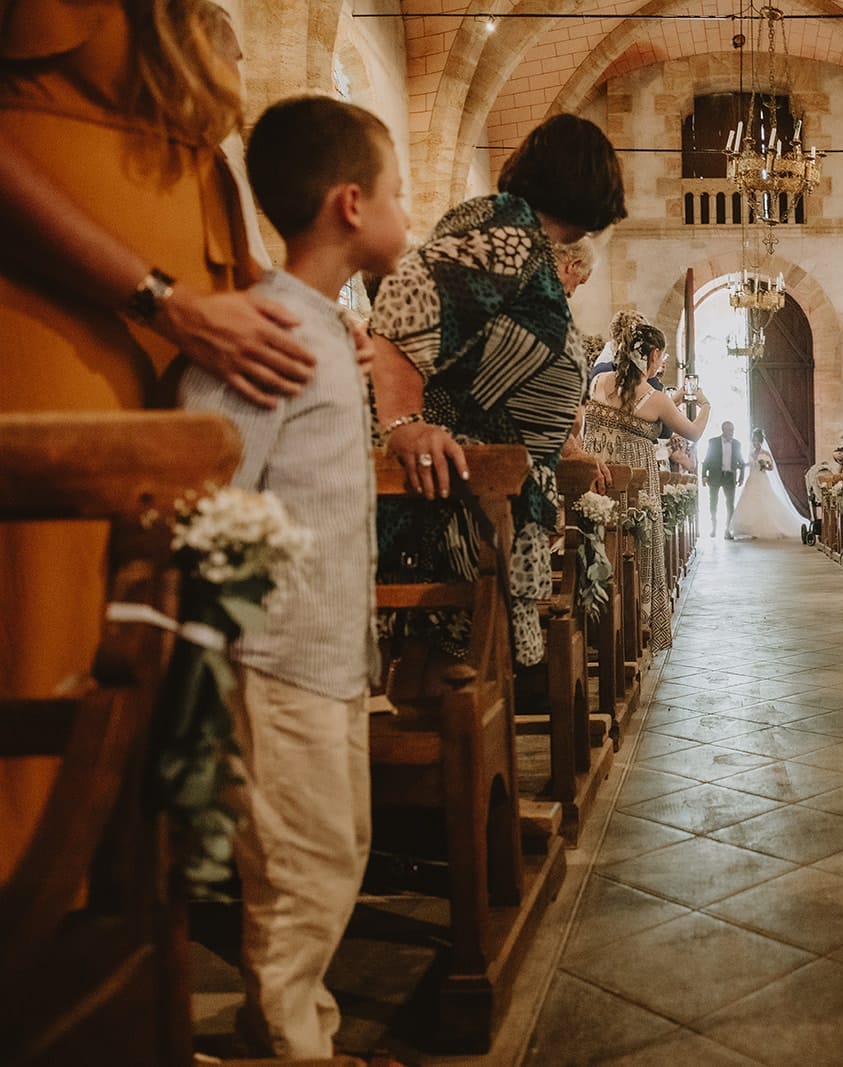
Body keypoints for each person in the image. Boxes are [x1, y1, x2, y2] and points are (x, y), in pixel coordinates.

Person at [0, 0, 318, 884]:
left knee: (148, 666)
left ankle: (118, 984)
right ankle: (35, 953)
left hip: (181, 360)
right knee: (51, 641)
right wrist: (160, 297)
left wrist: (299, 316)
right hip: (60, 322)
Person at [177, 95, 408, 1059]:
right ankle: (293, 1046)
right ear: (350, 205)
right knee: (304, 867)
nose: (410, 212)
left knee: (335, 847)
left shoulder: (318, 326)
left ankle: (286, 1027)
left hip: (319, 652)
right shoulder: (271, 329)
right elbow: (212, 482)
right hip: (273, 656)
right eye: (400, 193)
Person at [369, 111, 627, 674]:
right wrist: (403, 422)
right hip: (451, 502)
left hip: (486, 489)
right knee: (440, 675)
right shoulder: (506, 236)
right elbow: (404, 296)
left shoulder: (522, 240)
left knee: (459, 677)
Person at [586, 321, 711, 650]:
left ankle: (595, 626)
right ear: (653, 354)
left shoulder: (599, 381)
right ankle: (634, 627)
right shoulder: (655, 398)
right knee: (636, 553)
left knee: (601, 549)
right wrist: (707, 407)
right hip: (635, 485)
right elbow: (693, 433)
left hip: (594, 483)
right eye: (662, 355)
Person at [729, 428, 812, 539]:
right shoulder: (751, 452)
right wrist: (743, 465)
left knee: (763, 502)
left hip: (761, 479)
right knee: (749, 501)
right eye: (753, 440)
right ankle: (748, 528)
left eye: (757, 441)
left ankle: (762, 528)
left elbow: (771, 467)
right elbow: (750, 464)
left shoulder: (765, 453)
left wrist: (764, 466)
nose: (755, 443)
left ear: (761, 441)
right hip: (751, 479)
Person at [703, 420, 746, 537]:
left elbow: (741, 462)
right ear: (723, 430)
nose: (732, 432)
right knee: (713, 503)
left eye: (733, 430)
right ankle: (713, 528)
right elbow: (707, 459)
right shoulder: (713, 442)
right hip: (715, 475)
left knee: (730, 504)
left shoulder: (737, 444)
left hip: (729, 477)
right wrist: (703, 475)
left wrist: (742, 476)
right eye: (729, 430)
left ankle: (728, 530)